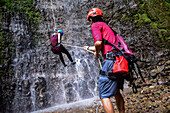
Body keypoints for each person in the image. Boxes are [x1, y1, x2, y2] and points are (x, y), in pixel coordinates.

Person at [83, 8, 125, 113]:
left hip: (110, 61)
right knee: (116, 92)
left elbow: (98, 43)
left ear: (91, 19)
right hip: (119, 60)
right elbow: (104, 45)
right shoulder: (107, 27)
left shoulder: (95, 25)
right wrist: (88, 48)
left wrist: (97, 53)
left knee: (104, 95)